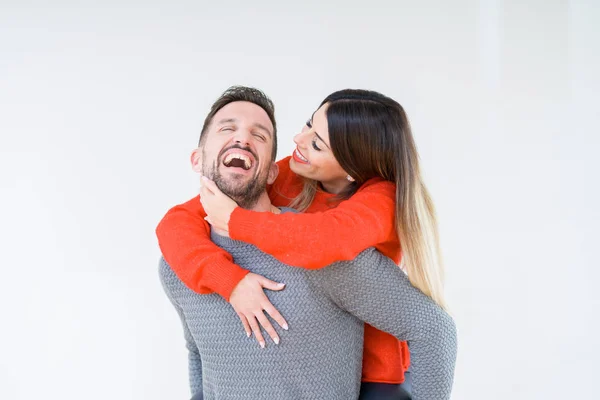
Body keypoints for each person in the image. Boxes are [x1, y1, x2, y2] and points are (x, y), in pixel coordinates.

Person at [158, 86, 456, 400]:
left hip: (377, 372)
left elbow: (326, 240)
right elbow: (174, 224)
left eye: (316, 143)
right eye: (227, 128)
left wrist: (235, 221)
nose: (299, 140)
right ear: (196, 158)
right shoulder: (293, 174)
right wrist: (230, 281)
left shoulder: (370, 212)